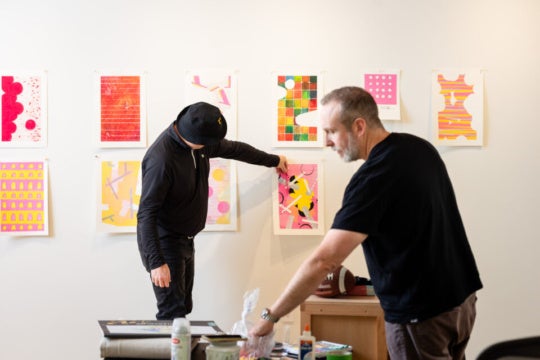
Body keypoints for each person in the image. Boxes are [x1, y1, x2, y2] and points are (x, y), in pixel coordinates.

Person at [250, 87, 483, 359]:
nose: (326, 142)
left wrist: (271, 316)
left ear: (359, 126)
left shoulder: (374, 178)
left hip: (421, 314)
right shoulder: (418, 147)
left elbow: (324, 260)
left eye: (331, 131)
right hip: (461, 301)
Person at [137, 101, 287, 320]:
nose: (215, 145)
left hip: (185, 239)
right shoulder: (161, 160)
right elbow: (146, 214)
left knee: (183, 307)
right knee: (172, 313)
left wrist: (274, 160)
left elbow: (236, 149)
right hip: (164, 242)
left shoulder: (198, 144)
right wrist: (156, 262)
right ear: (195, 137)